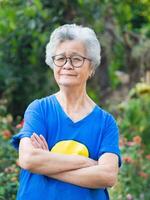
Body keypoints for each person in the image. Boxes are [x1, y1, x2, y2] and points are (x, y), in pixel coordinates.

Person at [12, 24, 121, 200]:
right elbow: (29, 159)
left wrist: (47, 163)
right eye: (61, 58)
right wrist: (87, 163)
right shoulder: (39, 109)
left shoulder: (105, 122)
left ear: (91, 67)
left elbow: (108, 175)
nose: (67, 65)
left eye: (76, 59)